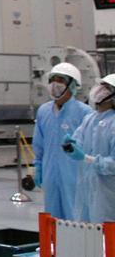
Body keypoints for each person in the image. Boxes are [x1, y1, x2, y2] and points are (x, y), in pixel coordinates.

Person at [33, 61, 92, 220]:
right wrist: (38, 166)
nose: (55, 84)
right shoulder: (44, 111)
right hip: (50, 175)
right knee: (52, 218)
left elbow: (90, 148)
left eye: (61, 80)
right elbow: (39, 144)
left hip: (75, 175)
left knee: (76, 217)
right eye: (53, 80)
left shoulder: (85, 113)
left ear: (73, 85)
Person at [64, 73, 115, 223]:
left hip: (108, 195)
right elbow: (77, 141)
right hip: (86, 190)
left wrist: (87, 158)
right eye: (101, 85)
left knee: (108, 237)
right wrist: (71, 145)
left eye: (106, 88)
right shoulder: (90, 119)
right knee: (87, 236)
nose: (100, 90)